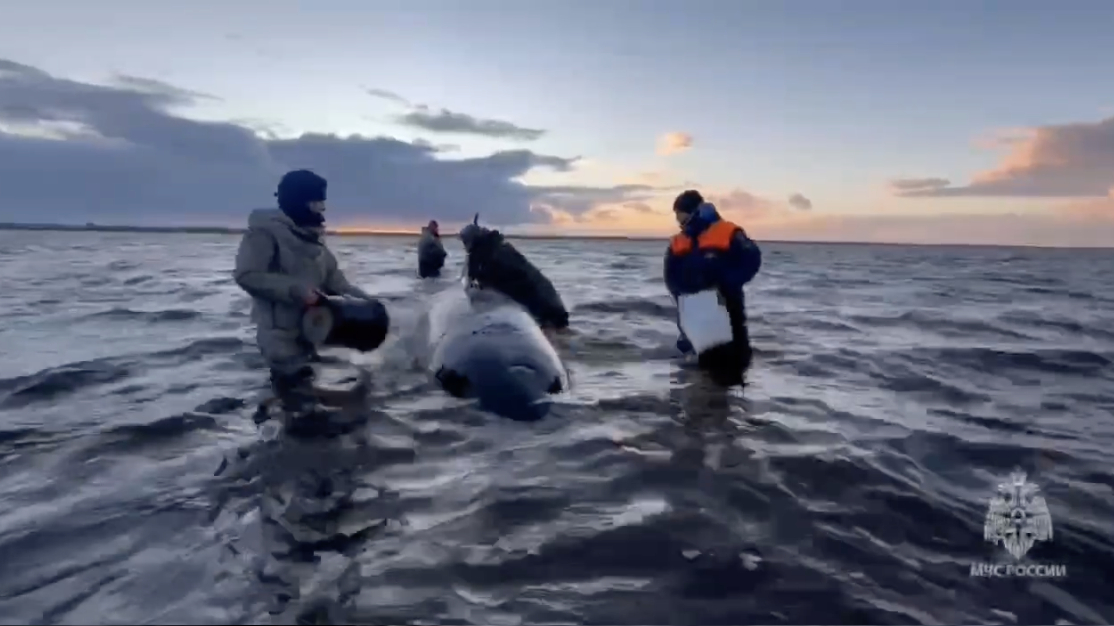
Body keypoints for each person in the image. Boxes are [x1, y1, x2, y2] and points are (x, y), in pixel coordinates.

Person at [233, 169, 377, 422]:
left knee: (317, 401)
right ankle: (276, 441)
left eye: (323, 202)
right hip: (279, 337)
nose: (321, 209)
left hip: (312, 332)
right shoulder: (264, 233)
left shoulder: (313, 239)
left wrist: (367, 303)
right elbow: (246, 275)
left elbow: (336, 282)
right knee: (292, 401)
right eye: (316, 202)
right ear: (298, 201)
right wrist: (296, 290)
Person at [663, 189, 762, 384]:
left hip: (727, 305)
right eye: (677, 217)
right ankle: (698, 404)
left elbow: (752, 260)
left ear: (695, 211)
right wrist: (682, 297)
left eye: (681, 215)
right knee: (695, 366)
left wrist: (729, 283)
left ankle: (733, 402)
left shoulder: (728, 232)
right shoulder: (677, 242)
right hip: (693, 310)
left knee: (733, 364)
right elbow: (670, 276)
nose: (679, 221)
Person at [459, 220, 570, 331]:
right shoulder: (497, 248)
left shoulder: (489, 259)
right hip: (550, 301)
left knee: (554, 332)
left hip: (545, 307)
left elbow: (481, 283)